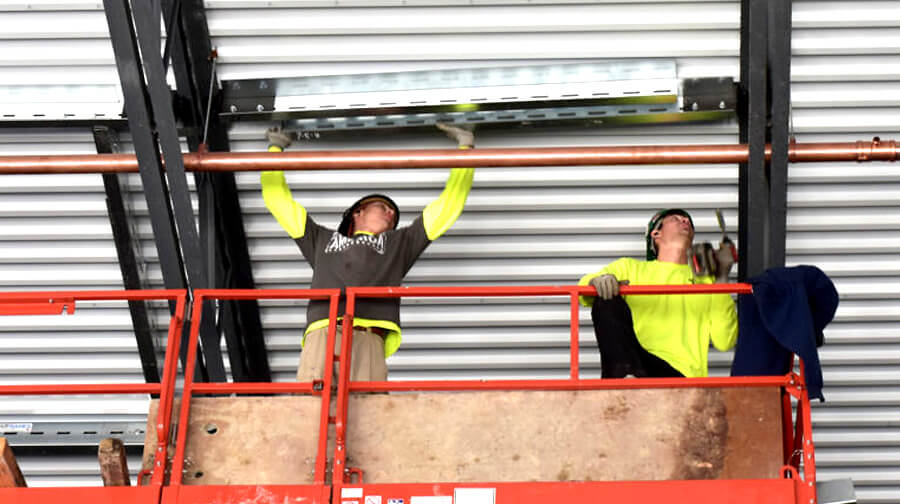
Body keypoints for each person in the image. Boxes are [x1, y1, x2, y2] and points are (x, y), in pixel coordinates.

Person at [261, 123, 475, 382]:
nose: (391, 213)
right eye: (382, 207)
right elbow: (278, 202)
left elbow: (448, 206)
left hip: (371, 338)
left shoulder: (399, 243)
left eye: (393, 213)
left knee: (371, 413)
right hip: (324, 332)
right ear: (357, 212)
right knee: (312, 408)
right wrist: (275, 147)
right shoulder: (321, 239)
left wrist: (466, 147)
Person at [578, 209, 738, 378]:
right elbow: (583, 291)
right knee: (605, 301)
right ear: (656, 233)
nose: (684, 220)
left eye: (687, 221)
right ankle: (623, 374)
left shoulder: (707, 282)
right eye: (675, 219)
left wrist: (721, 277)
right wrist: (595, 282)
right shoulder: (630, 269)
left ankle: (624, 377)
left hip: (680, 378)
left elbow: (724, 341)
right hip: (637, 365)